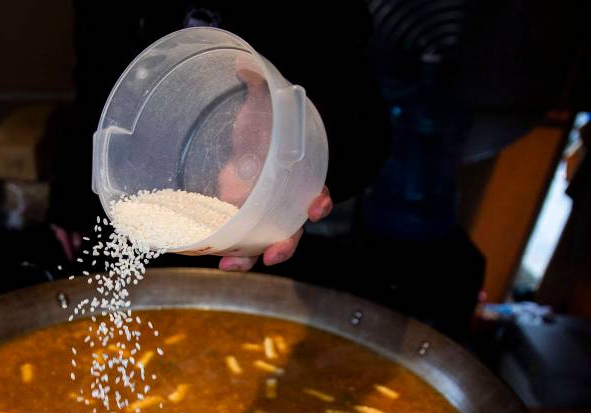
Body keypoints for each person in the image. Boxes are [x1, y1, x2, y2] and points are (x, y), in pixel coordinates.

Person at [48, 2, 390, 272]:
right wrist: (73, 188)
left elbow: (359, 114)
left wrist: (296, 152)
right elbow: (99, 71)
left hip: (274, 189)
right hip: (151, 179)